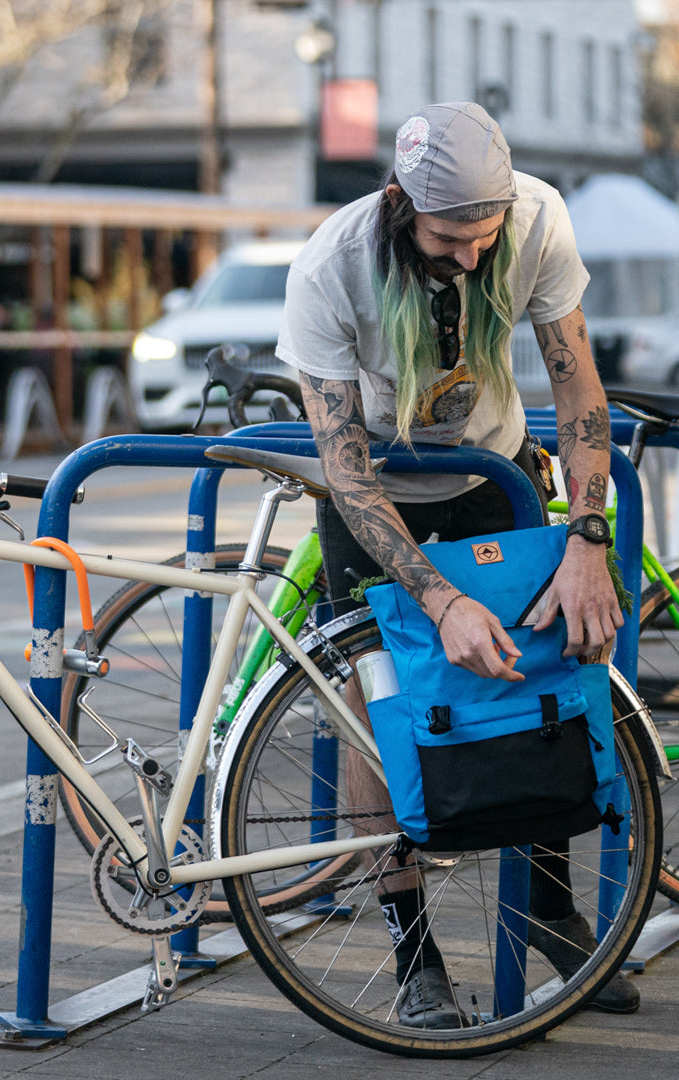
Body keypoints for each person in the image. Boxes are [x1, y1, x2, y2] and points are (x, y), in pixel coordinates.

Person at [276, 102, 637, 1027]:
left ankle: (549, 911)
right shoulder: (331, 265)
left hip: (495, 470)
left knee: (539, 679)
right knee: (378, 709)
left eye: (487, 235)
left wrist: (588, 541)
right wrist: (437, 601)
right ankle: (414, 958)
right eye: (449, 238)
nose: (473, 257)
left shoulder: (538, 217)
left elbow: (575, 381)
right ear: (399, 202)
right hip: (379, 496)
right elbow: (344, 466)